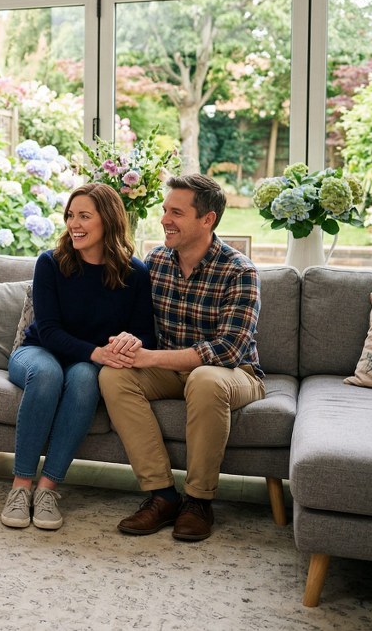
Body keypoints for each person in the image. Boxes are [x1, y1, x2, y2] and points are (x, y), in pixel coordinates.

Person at [98, 173, 264, 542]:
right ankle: (161, 495)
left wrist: (151, 358)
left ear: (208, 219)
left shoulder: (239, 271)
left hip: (235, 374)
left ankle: (199, 502)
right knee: (113, 375)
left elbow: (230, 349)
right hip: (172, 371)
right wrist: (129, 340)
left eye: (176, 212)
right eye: (164, 210)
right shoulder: (155, 261)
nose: (164, 220)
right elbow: (136, 322)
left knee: (205, 378)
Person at [1, 183, 155, 531]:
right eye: (71, 215)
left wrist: (127, 342)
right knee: (47, 375)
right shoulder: (50, 263)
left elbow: (145, 333)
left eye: (85, 216)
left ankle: (47, 489)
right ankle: (20, 485)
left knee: (86, 378)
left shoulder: (136, 274)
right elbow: (50, 331)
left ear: (109, 221)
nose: (74, 224)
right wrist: (97, 351)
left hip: (87, 362)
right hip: (39, 351)